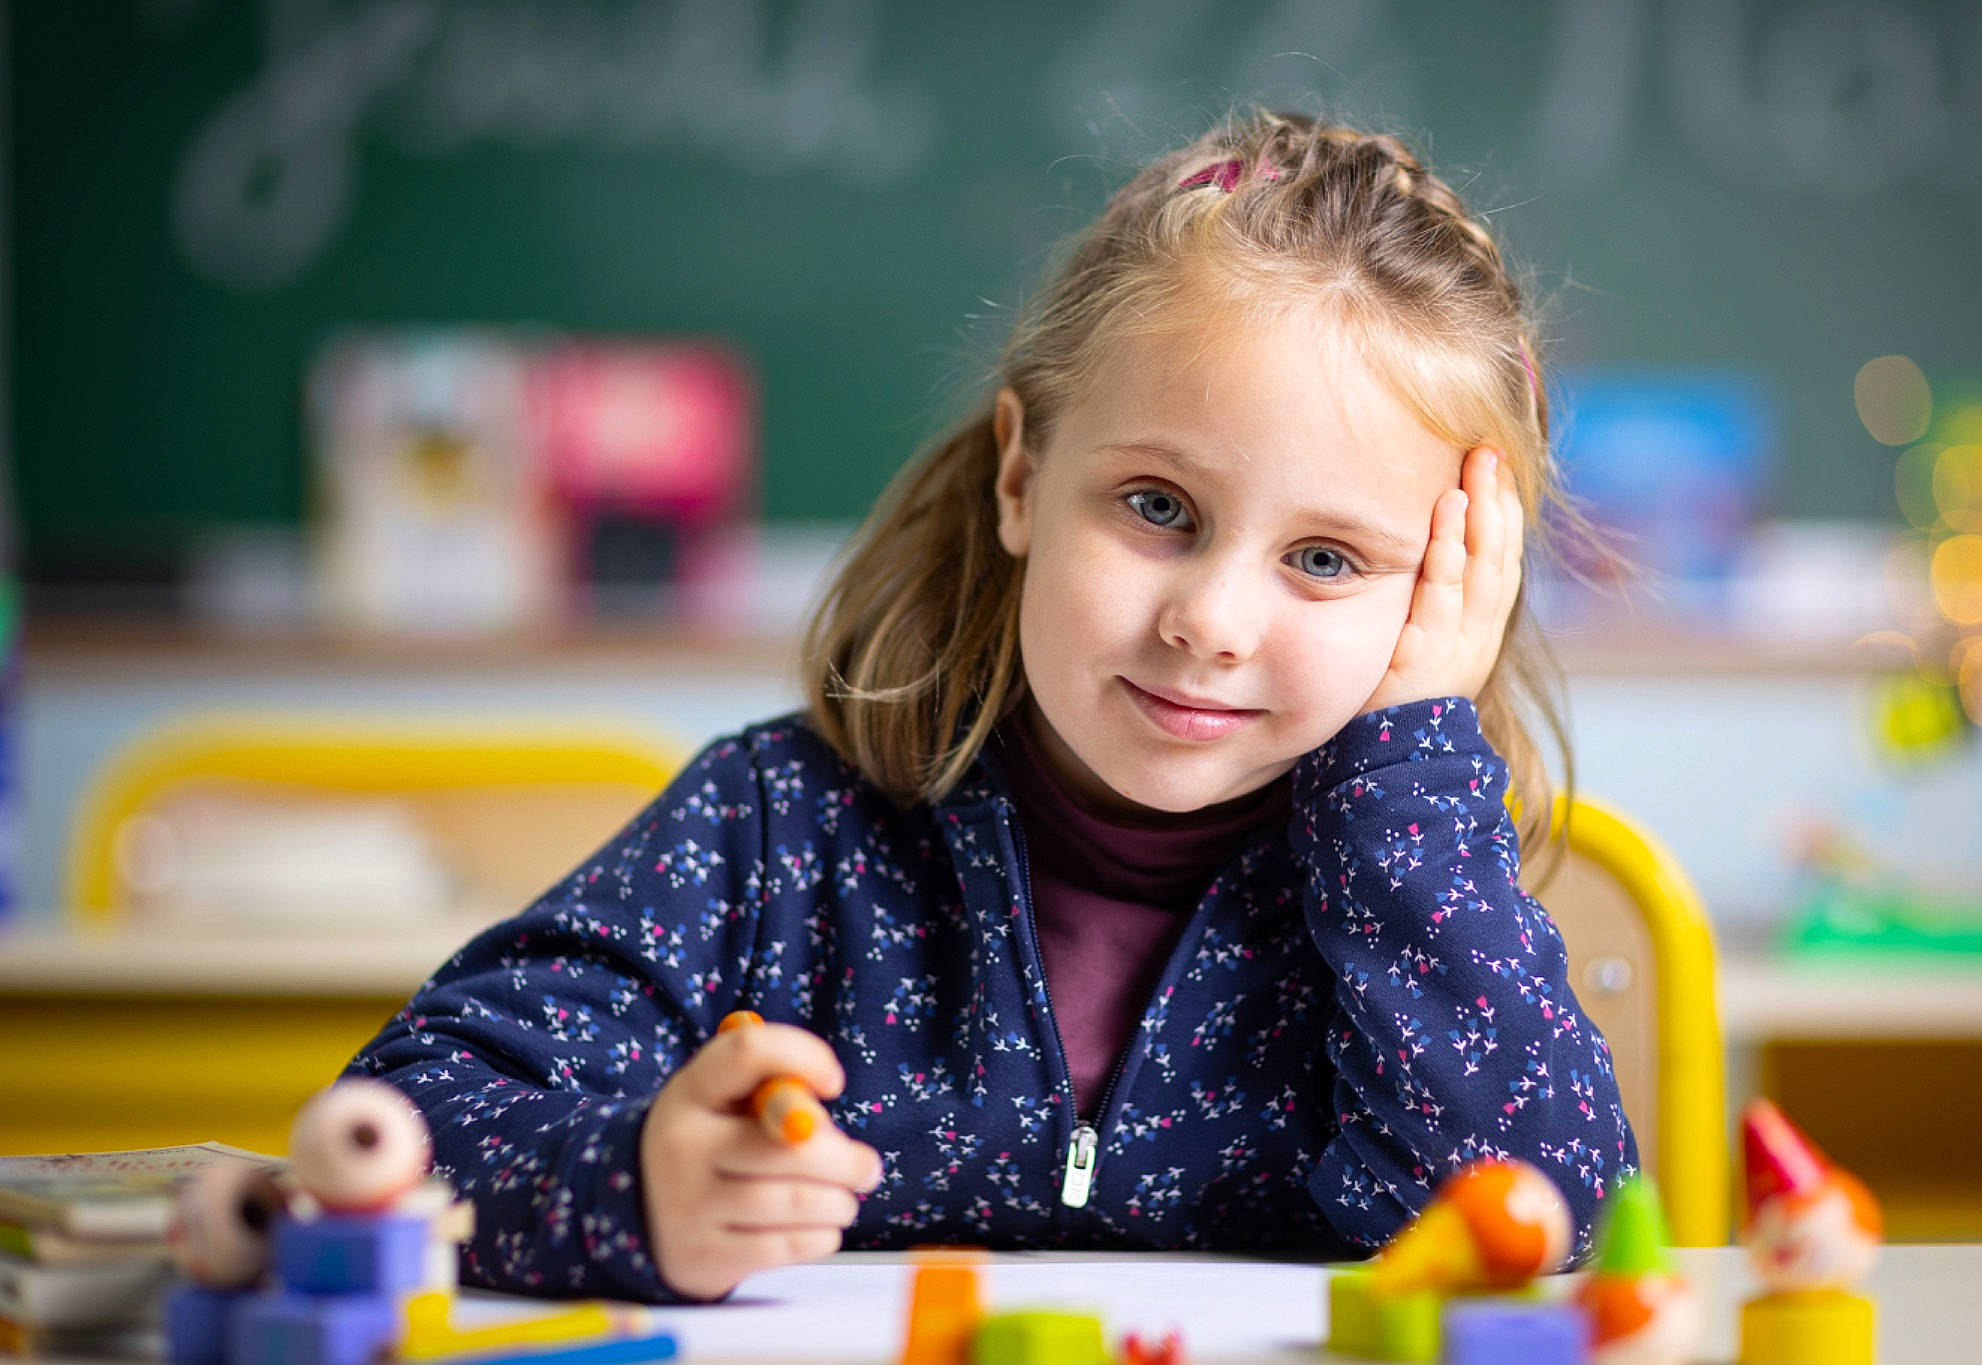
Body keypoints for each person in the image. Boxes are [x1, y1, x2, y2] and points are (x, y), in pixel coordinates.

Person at [349, 109, 1635, 1303]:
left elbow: (1550, 1216)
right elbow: (403, 1123)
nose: (1210, 622)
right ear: (1022, 471)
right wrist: (636, 1187)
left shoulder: (1402, 876)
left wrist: (1407, 777)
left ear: (1444, 598)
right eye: (1156, 509)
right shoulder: (779, 827)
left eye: (1325, 560)